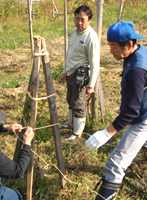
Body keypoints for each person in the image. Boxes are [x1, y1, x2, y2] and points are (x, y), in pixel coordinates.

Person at [85, 21, 147, 200]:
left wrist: (107, 133)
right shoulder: (139, 50)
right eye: (109, 46)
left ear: (129, 44)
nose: (111, 51)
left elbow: (131, 112)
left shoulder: (137, 70)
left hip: (146, 116)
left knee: (115, 163)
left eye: (113, 47)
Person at [62, 5, 100, 141]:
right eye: (77, 19)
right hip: (71, 71)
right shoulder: (74, 32)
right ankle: (70, 124)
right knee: (70, 98)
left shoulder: (91, 37)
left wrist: (91, 84)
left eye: (82, 20)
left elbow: (94, 61)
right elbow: (69, 53)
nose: (79, 23)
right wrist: (65, 70)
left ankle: (77, 132)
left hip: (81, 73)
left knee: (78, 102)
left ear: (89, 20)